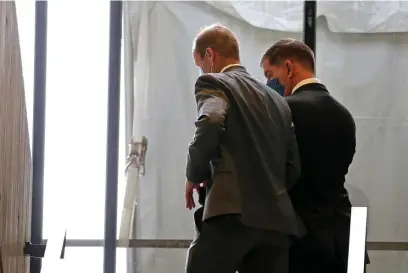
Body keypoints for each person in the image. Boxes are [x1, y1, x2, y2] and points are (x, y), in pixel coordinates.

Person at [184, 24, 304, 273]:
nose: (201, 70)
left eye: (199, 64)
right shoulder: (277, 100)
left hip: (231, 214)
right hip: (277, 223)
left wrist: (194, 174)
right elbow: (292, 166)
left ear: (210, 55)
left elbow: (212, 120)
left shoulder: (214, 83)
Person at [261, 38, 368, 273]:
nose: (268, 83)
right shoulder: (344, 115)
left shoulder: (283, 111)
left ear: (289, 68)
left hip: (301, 238)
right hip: (347, 235)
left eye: (270, 74)